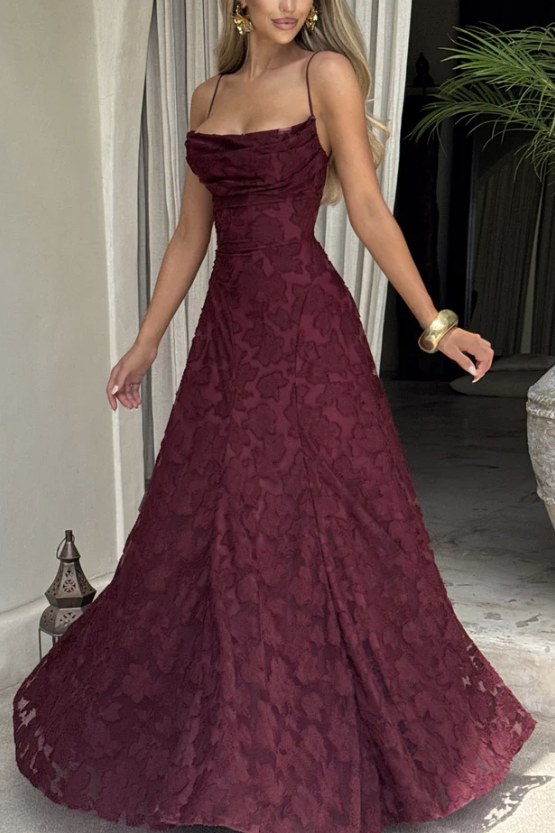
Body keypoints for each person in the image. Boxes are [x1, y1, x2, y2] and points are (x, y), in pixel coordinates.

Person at [13, 2, 537, 832]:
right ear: (239, 4)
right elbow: (189, 236)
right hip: (230, 334)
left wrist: (437, 326)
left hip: (305, 330)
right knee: (224, 519)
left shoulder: (326, 74)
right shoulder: (206, 96)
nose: (292, 4)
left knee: (334, 518)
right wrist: (145, 342)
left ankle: (328, 731)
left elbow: (367, 209)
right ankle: (241, 735)